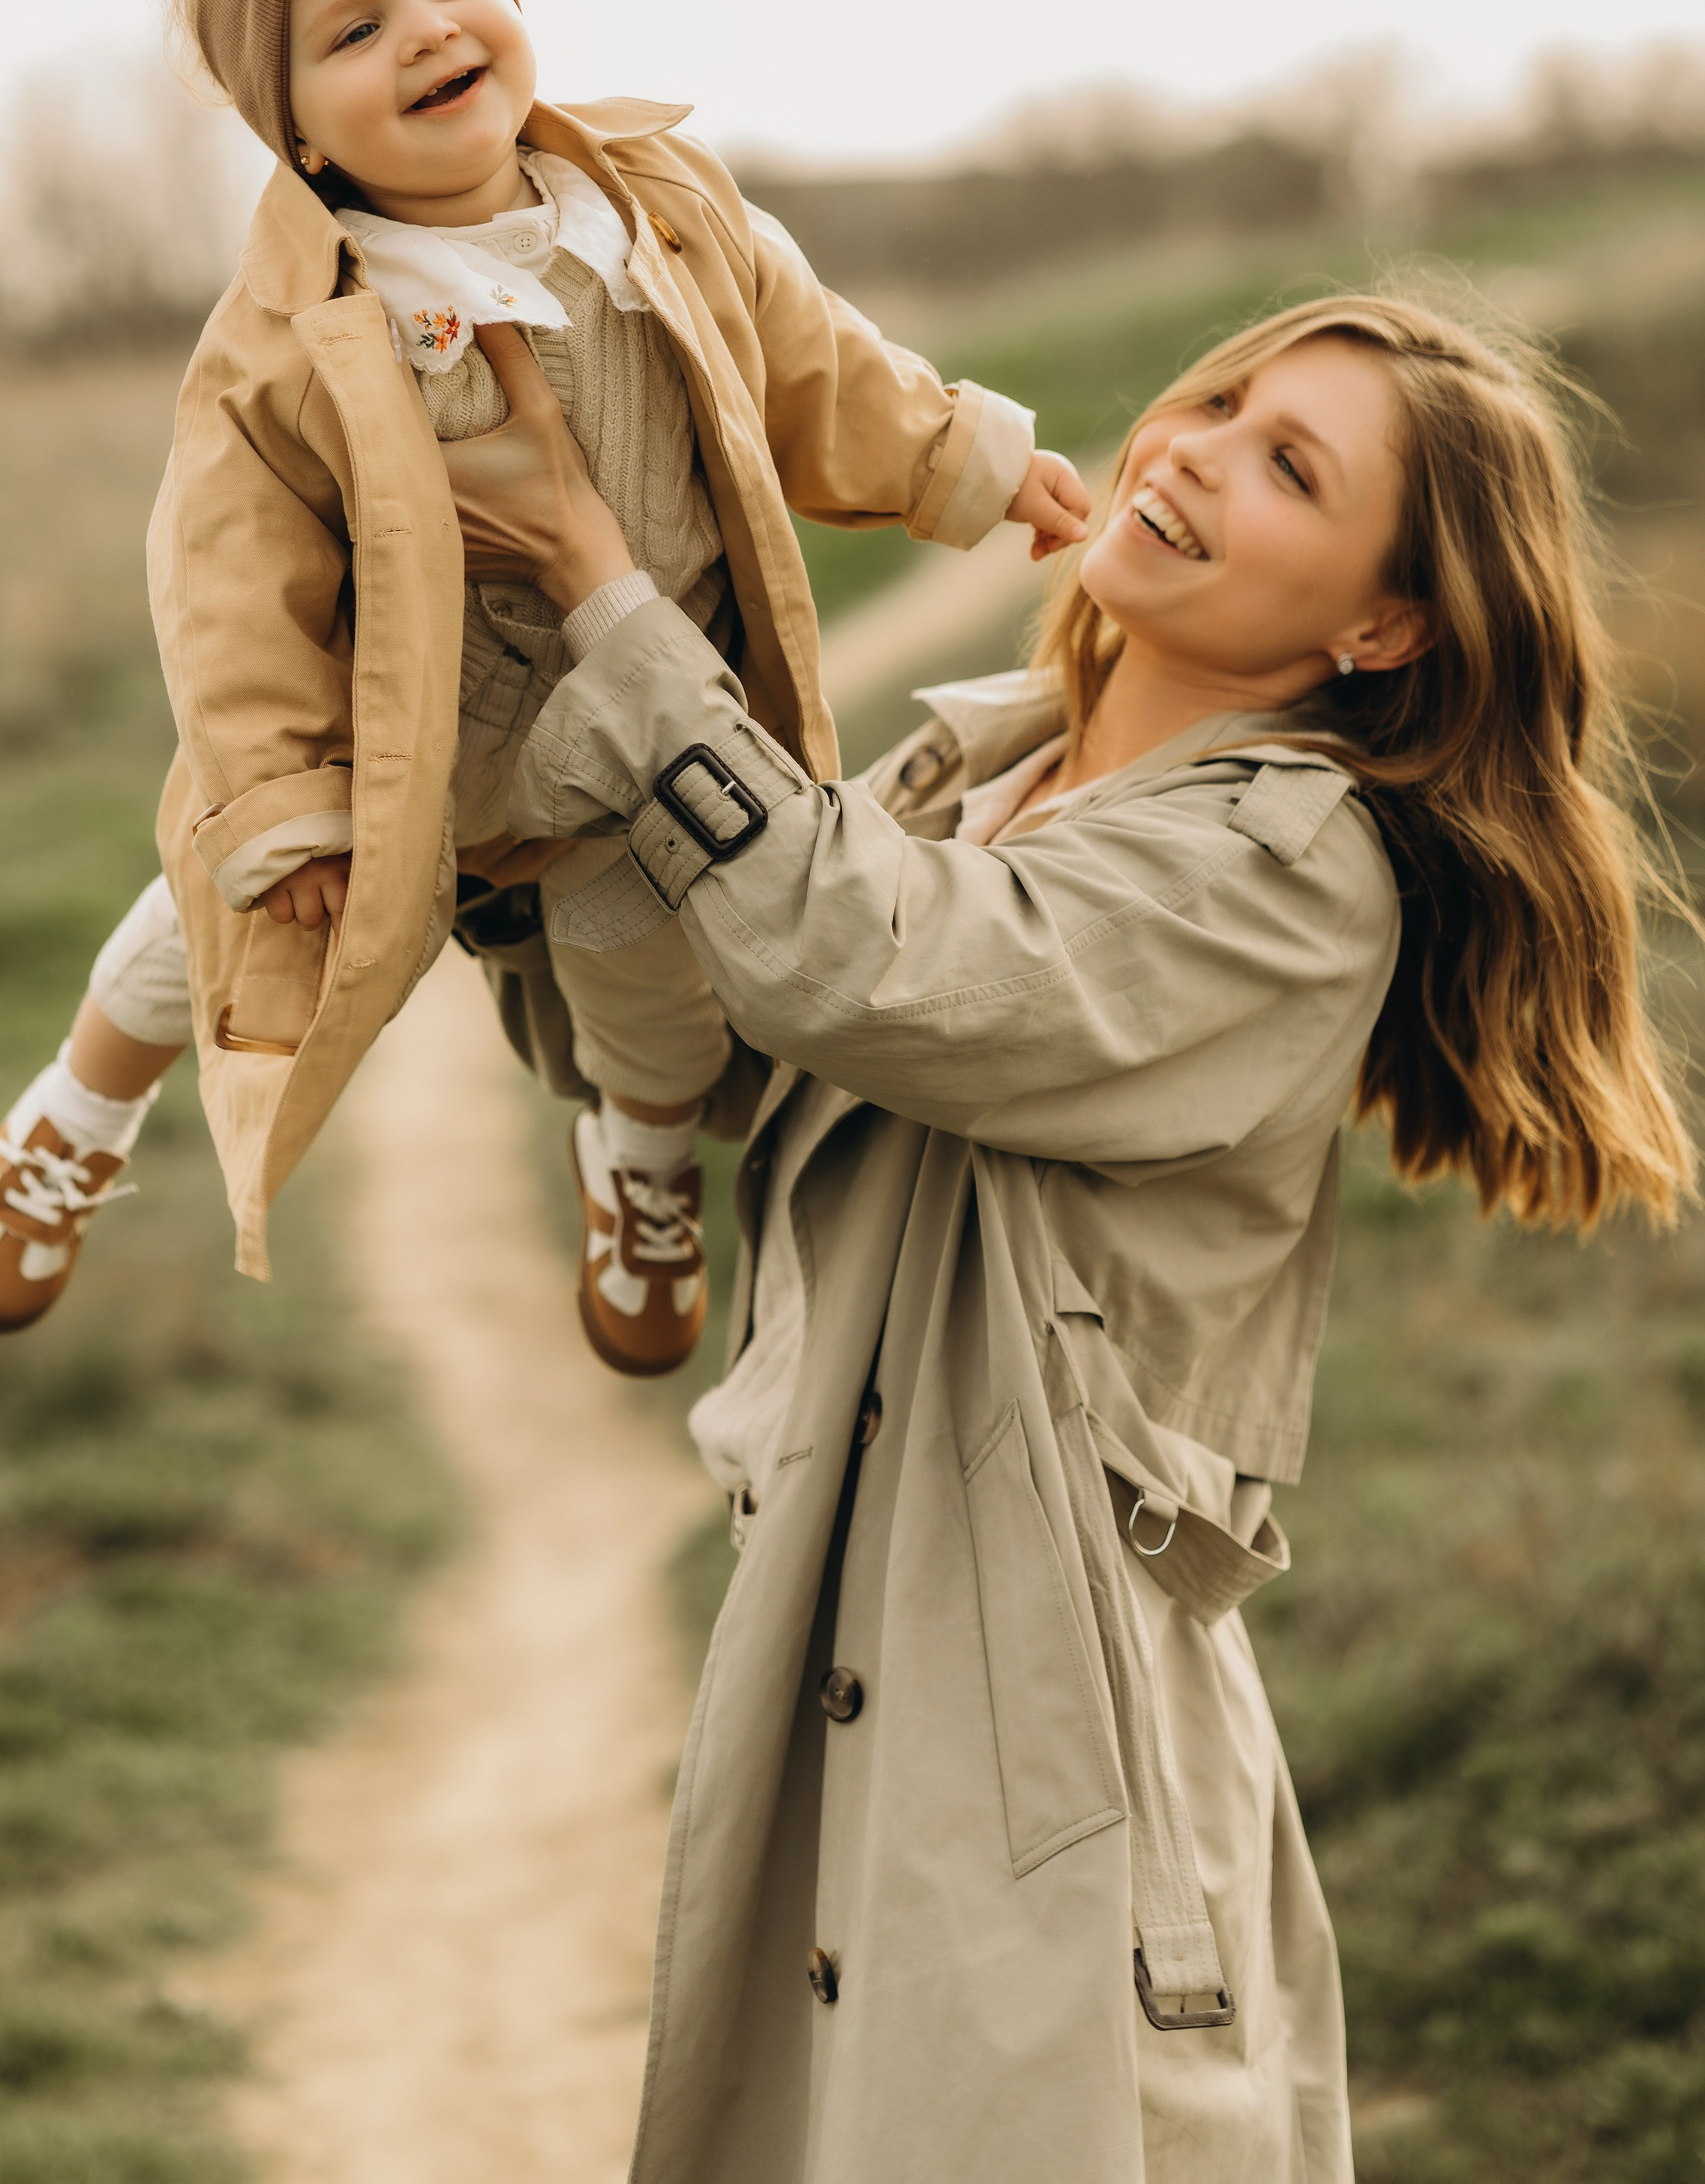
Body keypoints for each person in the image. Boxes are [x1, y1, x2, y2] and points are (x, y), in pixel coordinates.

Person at [428, 289, 1694, 2179]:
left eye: (1288, 467)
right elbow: (696, 1041)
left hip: (1051, 1786)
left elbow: (858, 961)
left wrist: (619, 607)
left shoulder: (1284, 873)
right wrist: (502, 774)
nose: (1189, 446)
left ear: (1379, 626)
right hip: (852, 1693)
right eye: (1219, 399)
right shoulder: (972, 785)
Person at [0, 0, 1088, 1372]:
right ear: (296, 133)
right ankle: (72, 1121)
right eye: (353, 30)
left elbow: (814, 364)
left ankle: (640, 1170)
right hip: (389, 755)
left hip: (622, 725)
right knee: (200, 935)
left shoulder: (658, 210)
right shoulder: (294, 334)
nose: (426, 31)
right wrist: (278, 801)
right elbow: (224, 581)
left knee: (658, 1006)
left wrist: (969, 458)